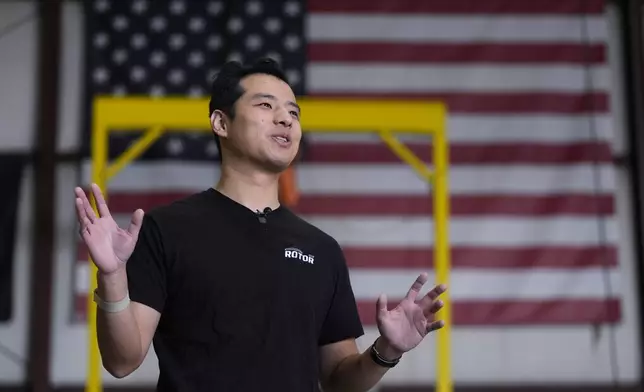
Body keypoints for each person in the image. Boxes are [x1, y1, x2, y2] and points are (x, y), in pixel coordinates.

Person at [74, 58, 447, 391]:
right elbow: (122, 361)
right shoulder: (166, 228)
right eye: (266, 105)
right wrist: (112, 276)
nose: (285, 119)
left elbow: (337, 381)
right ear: (221, 122)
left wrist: (387, 350)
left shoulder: (321, 249)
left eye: (294, 112)